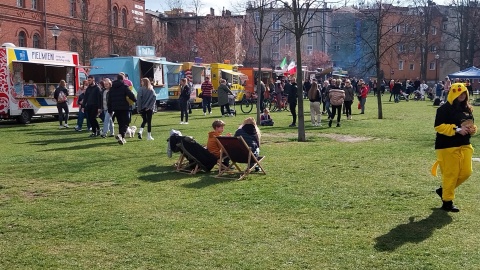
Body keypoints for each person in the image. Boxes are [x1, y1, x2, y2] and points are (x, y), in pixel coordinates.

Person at [431, 83, 477, 212]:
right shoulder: (443, 109)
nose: (461, 95)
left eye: (464, 93)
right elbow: (438, 126)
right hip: (447, 146)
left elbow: (470, 124)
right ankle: (447, 202)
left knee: (466, 173)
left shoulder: (467, 109)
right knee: (451, 174)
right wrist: (456, 129)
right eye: (459, 93)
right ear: (453, 93)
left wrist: (472, 129)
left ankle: (443, 190)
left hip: (465, 145)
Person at [108, 74, 137, 145]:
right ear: (123, 79)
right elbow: (131, 95)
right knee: (126, 122)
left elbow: (109, 100)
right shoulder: (124, 86)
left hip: (116, 108)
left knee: (120, 123)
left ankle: (122, 138)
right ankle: (121, 135)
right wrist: (135, 100)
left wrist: (110, 110)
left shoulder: (112, 88)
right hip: (124, 107)